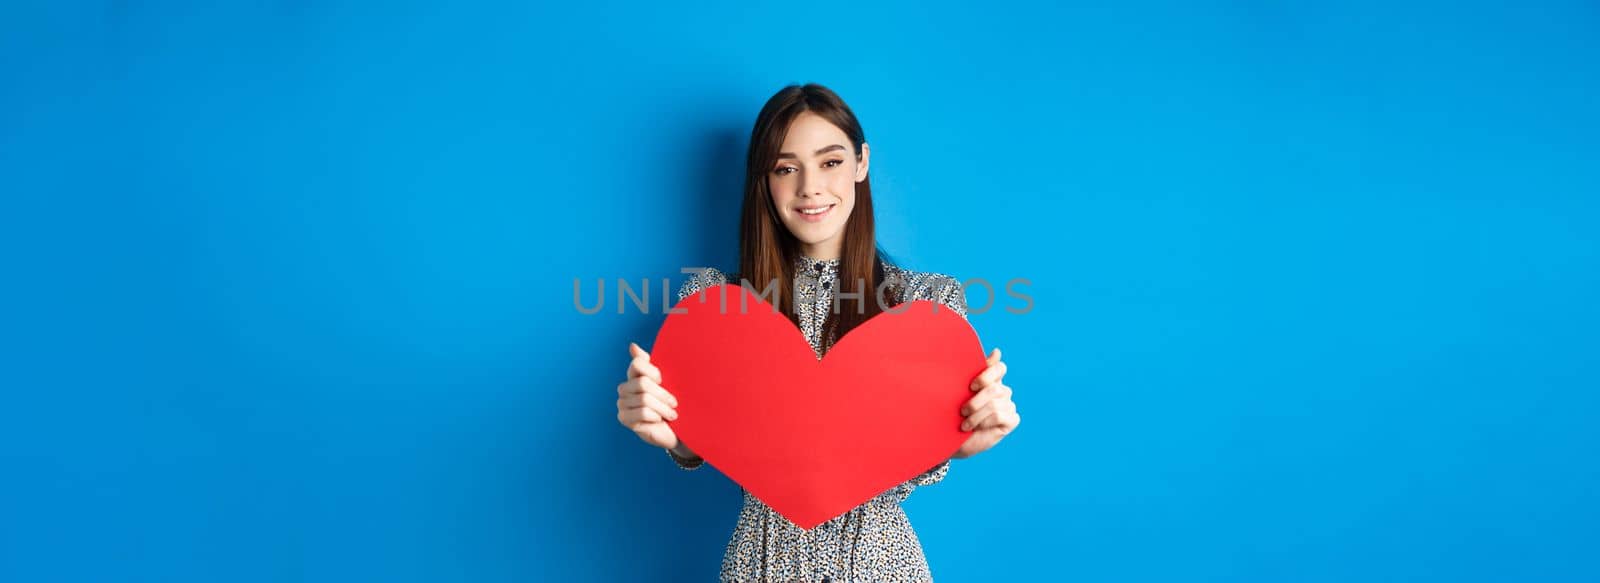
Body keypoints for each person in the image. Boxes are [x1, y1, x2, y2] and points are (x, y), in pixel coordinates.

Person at [615, 83, 1022, 582]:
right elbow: (702, 438)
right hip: (758, 566)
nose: (810, 186)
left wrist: (960, 437)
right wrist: (672, 435)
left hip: (881, 566)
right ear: (764, 181)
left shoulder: (924, 306)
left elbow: (911, 454)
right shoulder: (714, 305)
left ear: (861, 163)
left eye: (830, 162)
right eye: (786, 168)